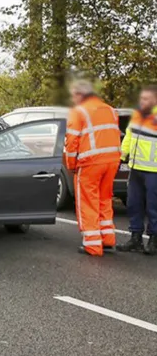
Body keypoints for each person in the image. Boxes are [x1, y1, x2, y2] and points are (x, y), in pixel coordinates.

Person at [65, 79, 122, 256]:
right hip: (111, 161)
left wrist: (71, 165)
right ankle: (107, 239)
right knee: (104, 199)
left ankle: (92, 244)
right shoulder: (110, 110)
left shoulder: (79, 112)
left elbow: (71, 142)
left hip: (90, 163)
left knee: (87, 202)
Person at [117, 84, 157, 254]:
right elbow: (128, 137)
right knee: (134, 204)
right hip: (135, 169)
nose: (142, 101)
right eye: (141, 98)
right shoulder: (137, 115)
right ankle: (135, 238)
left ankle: (154, 240)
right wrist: (121, 156)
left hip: (154, 170)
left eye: (146, 99)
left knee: (153, 207)